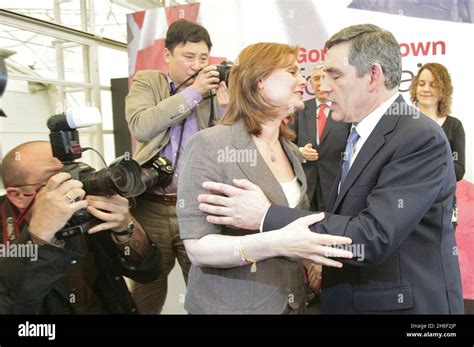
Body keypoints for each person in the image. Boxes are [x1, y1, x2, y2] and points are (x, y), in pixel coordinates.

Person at [196, 25, 464, 314]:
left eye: (335, 75)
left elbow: (372, 237)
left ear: (373, 76)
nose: (322, 86)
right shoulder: (357, 131)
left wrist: (265, 215)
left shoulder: (417, 137)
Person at [176, 42, 353, 314]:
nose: (302, 81)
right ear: (259, 81)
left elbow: (296, 226)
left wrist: (311, 263)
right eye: (292, 72)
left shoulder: (291, 152)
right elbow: (198, 248)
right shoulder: (209, 145)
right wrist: (277, 242)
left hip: (290, 302)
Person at [125, 19, 227, 313]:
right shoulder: (149, 82)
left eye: (204, 58)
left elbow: (224, 143)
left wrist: (223, 107)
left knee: (205, 288)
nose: (197, 65)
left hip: (197, 206)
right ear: (168, 55)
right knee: (147, 288)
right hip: (151, 206)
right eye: (189, 57)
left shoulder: (213, 90)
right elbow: (142, 126)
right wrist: (193, 91)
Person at [0, 141, 161, 314]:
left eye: (71, 172)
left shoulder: (87, 208)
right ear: (17, 196)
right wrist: (39, 235)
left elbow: (148, 272)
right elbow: (10, 306)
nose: (74, 185)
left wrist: (125, 227)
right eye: (56, 179)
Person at [293, 63, 350, 212]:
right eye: (316, 78)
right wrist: (300, 152)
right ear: (311, 83)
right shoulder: (299, 109)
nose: (320, 83)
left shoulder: (346, 110)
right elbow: (285, 142)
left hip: (335, 186)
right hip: (305, 187)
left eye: (324, 77)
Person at [410, 62, 465, 182]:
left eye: (433, 85)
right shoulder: (404, 123)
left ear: (443, 90)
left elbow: (459, 172)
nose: (426, 89)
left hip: (441, 199)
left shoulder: (454, 126)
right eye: (421, 84)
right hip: (409, 197)